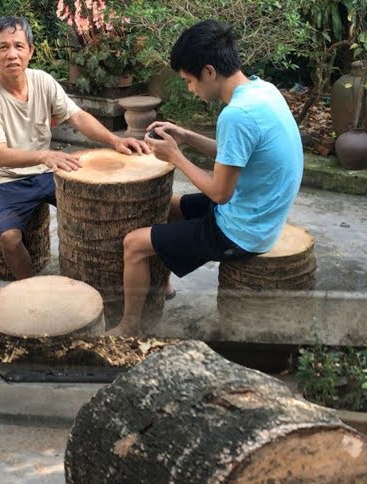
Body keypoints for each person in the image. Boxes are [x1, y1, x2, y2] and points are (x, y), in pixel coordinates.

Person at [106, 19, 303, 336]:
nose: (190, 88)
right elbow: (234, 155)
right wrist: (185, 135)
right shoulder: (262, 90)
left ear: (209, 71)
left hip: (243, 231)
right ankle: (165, 281)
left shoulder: (236, 115)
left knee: (133, 244)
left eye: (188, 80)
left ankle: (129, 326)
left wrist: (175, 156)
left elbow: (219, 193)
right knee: (167, 205)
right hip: (257, 210)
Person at [0, 16, 149, 280]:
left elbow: (77, 117)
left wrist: (115, 140)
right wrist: (45, 155)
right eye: (3, 47)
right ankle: (31, 288)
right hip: (4, 180)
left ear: (30, 51)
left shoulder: (42, 81)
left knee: (99, 206)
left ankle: (114, 272)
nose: (12, 54)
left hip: (46, 173)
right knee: (9, 238)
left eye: (19, 46)